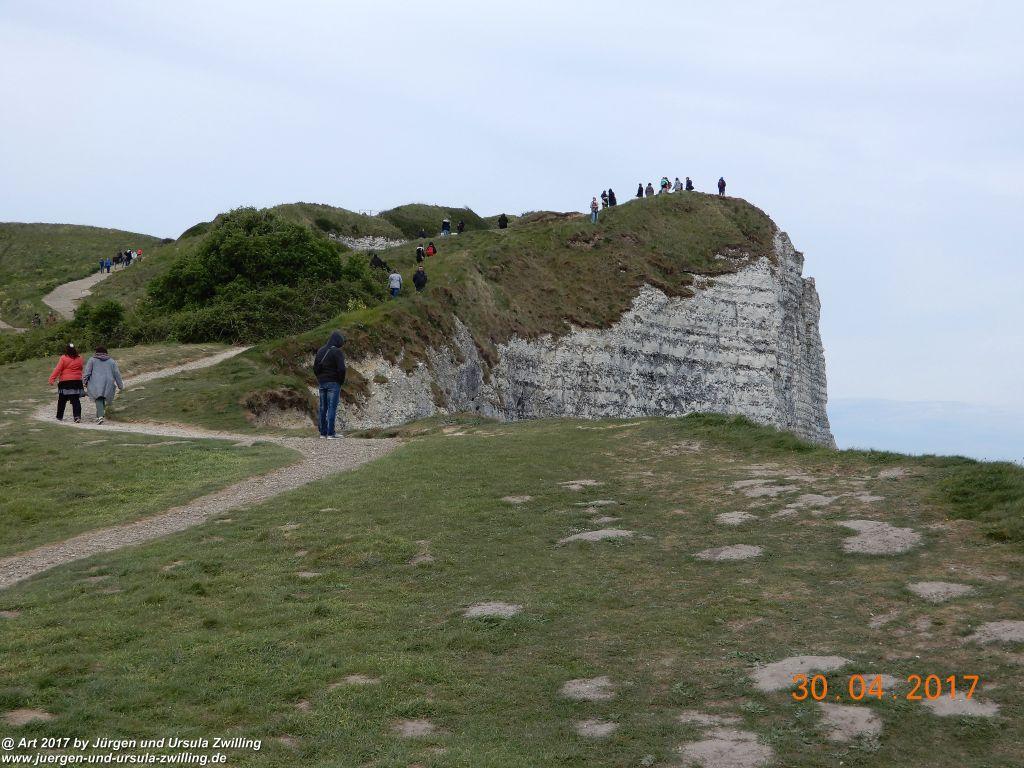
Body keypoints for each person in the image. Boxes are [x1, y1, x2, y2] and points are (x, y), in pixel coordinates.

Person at [313, 331, 346, 439]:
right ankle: (331, 433)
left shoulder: (321, 351)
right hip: (333, 383)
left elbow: (315, 368)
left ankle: (323, 433)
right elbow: (341, 369)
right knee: (332, 408)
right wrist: (340, 381)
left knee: (323, 408)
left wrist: (320, 378)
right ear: (337, 341)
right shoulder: (337, 352)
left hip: (322, 383)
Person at [83, 346, 123, 425]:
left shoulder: (92, 360)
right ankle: (100, 416)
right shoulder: (111, 361)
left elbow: (87, 372)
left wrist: (84, 381)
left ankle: (100, 416)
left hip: (96, 382)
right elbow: (117, 374)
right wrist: (120, 385)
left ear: (96, 352)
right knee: (102, 397)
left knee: (98, 398)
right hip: (108, 382)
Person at [48, 343, 85, 422]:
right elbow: (81, 368)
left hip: (65, 382)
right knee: (75, 400)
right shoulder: (80, 358)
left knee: (62, 400)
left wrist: (52, 379)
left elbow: (58, 369)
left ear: (66, 350)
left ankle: (59, 416)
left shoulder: (63, 358)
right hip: (76, 381)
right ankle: (77, 416)